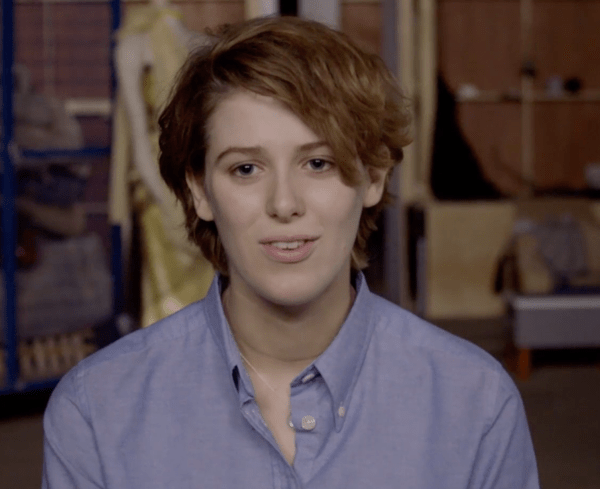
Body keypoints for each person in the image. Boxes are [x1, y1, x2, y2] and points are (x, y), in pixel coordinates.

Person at [42, 16, 540, 488]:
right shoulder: (96, 412)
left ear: (374, 176)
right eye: (245, 169)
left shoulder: (476, 404)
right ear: (199, 191)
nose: (284, 204)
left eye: (318, 163)